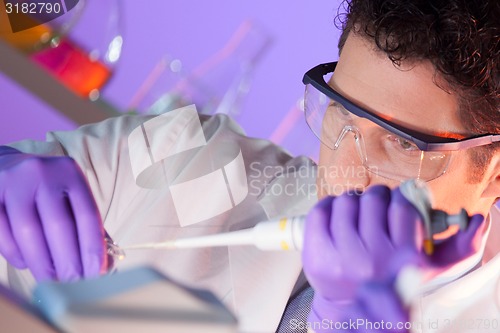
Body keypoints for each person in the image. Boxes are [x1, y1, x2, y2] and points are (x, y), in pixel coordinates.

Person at [0, 0, 498, 332]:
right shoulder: (188, 155)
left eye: (400, 145)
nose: (347, 171)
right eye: (339, 114)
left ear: (493, 172)